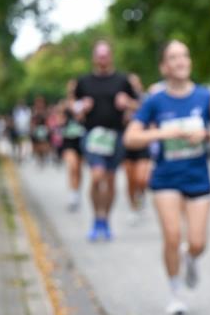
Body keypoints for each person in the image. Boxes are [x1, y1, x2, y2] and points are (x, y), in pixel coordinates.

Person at [124, 40, 210, 315]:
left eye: (184, 56)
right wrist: (162, 134)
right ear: (164, 66)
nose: (180, 61)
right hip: (166, 178)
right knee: (171, 236)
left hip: (198, 178)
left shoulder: (205, 97)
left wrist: (205, 134)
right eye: (173, 57)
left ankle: (191, 258)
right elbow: (130, 137)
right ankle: (175, 294)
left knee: (197, 243)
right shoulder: (155, 100)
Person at [73, 40, 138, 241]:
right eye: (98, 54)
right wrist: (80, 107)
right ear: (94, 57)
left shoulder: (122, 80)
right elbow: (72, 107)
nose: (102, 58)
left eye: (105, 54)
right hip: (93, 135)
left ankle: (105, 220)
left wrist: (127, 103)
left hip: (116, 135)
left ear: (110, 56)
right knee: (97, 175)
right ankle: (96, 217)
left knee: (110, 180)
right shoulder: (84, 82)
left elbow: (139, 105)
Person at [122, 73, 151, 224]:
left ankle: (141, 197)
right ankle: (133, 207)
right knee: (130, 179)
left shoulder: (145, 99)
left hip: (143, 143)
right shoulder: (120, 100)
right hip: (127, 145)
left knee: (142, 178)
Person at [60, 82, 86, 212]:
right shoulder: (64, 105)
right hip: (69, 140)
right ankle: (72, 192)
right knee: (73, 166)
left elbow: (85, 118)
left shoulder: (83, 103)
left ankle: (77, 191)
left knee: (79, 168)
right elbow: (59, 121)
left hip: (81, 139)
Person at [30, 96, 51, 167]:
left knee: (44, 144)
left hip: (43, 129)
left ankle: (44, 157)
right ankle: (39, 158)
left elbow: (47, 120)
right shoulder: (34, 110)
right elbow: (32, 121)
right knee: (37, 144)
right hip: (36, 129)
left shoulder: (45, 110)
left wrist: (48, 128)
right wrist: (32, 128)